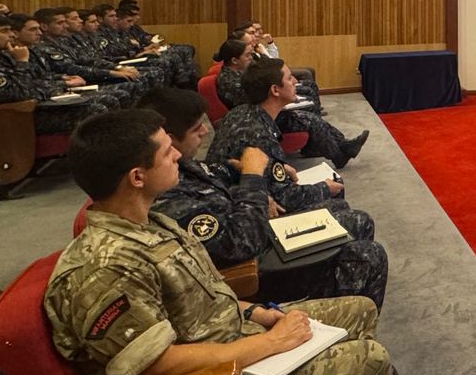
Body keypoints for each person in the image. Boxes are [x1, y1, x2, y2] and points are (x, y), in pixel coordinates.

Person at [42, 109, 423, 375]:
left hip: (230, 339)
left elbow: (203, 297)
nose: (178, 155)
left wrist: (257, 313)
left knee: (358, 310)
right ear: (137, 176)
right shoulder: (104, 268)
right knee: (369, 362)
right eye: (167, 151)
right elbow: (157, 372)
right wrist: (272, 343)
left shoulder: (149, 222)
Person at [143, 88, 388, 308]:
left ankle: (347, 298)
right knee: (367, 247)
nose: (206, 130)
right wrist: (254, 182)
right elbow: (238, 245)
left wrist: (256, 184)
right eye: (197, 129)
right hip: (255, 269)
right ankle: (343, 317)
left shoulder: (182, 167)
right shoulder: (166, 196)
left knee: (344, 211)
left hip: (256, 229)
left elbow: (219, 176)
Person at [208, 60, 369, 198]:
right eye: (289, 78)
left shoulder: (241, 112)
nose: (295, 81)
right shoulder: (260, 134)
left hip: (232, 192)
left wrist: (279, 168)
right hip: (238, 205)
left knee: (308, 118)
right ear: (275, 90)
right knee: (342, 197)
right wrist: (324, 188)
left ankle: (341, 149)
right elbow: (284, 196)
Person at [0, 14, 120, 135]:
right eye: (4, 31)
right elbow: (21, 95)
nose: (12, 35)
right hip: (15, 118)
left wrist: (59, 84)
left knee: (107, 99)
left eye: (11, 30)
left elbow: (37, 80)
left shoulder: (4, 56)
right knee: (96, 109)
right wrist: (22, 62)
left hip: (37, 107)